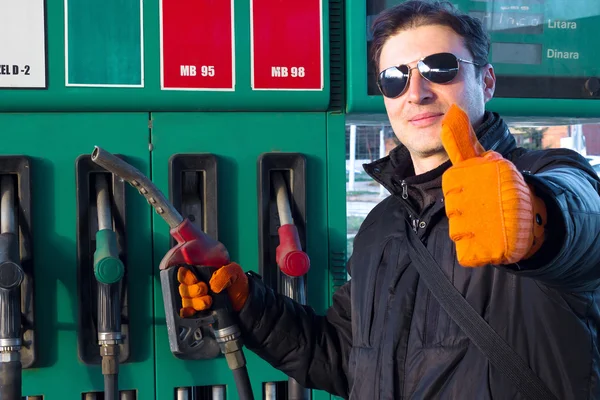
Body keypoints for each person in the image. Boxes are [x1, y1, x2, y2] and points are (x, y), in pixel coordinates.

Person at [177, 1, 600, 398]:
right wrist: (247, 304)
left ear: (486, 80)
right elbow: (341, 356)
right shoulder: (382, 225)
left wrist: (537, 218)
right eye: (395, 78)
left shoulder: (541, 175)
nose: (417, 93)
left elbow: (582, 215)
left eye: (440, 68)